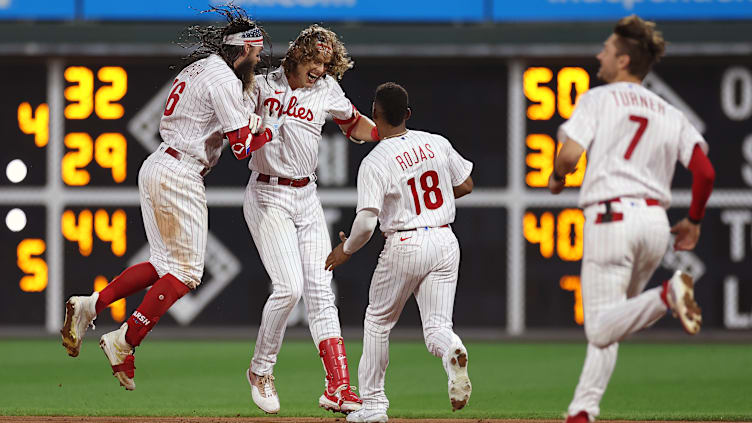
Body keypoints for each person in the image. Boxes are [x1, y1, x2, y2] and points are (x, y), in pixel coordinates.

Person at [59, 7, 282, 390]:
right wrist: (270, 129)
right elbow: (244, 147)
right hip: (181, 173)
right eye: (256, 53)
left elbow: (228, 117)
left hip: (160, 164)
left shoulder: (204, 67)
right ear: (242, 51)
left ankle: (90, 306)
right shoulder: (225, 82)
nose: (259, 59)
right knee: (187, 272)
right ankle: (124, 340)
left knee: (164, 263)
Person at [548, 15, 715, 423]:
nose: (598, 54)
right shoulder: (669, 111)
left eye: (606, 49)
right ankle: (583, 409)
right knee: (617, 320)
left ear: (623, 60)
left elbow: (570, 157)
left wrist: (556, 175)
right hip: (656, 225)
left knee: (600, 329)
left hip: (610, 221)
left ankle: (667, 295)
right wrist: (692, 220)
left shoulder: (597, 98)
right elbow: (705, 172)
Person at [241, 24, 379, 415]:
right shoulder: (261, 85)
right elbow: (231, 122)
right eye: (315, 61)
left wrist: (388, 136)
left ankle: (338, 386)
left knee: (320, 289)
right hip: (267, 193)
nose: (320, 69)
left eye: (326, 63)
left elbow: (354, 124)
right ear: (296, 56)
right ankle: (260, 370)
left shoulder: (327, 90)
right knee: (288, 289)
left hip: (306, 196)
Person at [325, 82, 475, 423]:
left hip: (406, 243)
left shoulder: (375, 160)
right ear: (407, 114)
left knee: (378, 322)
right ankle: (451, 348)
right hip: (445, 239)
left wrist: (345, 250)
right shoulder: (435, 142)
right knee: (438, 327)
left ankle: (374, 406)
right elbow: (466, 184)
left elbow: (365, 225)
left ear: (375, 116)